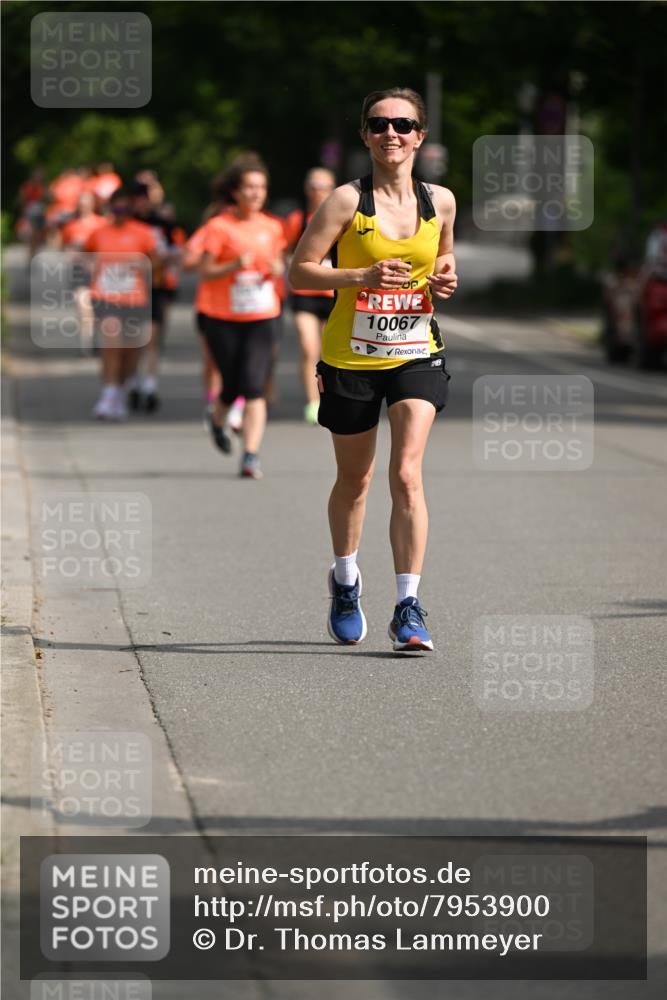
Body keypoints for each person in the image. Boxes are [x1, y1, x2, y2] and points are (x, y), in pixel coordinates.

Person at [289, 87, 457, 652]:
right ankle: (345, 580)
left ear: (420, 136)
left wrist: (446, 280)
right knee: (355, 480)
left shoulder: (441, 202)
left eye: (404, 124)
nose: (392, 133)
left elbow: (445, 261)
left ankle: (408, 606)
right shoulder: (344, 201)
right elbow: (300, 273)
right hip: (350, 357)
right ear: (365, 135)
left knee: (407, 474)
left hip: (416, 351)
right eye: (379, 124)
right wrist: (358, 278)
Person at [199, 155, 286, 479]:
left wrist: (278, 269)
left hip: (263, 315)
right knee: (231, 384)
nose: (255, 193)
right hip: (222, 318)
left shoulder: (273, 227)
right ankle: (218, 420)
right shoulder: (219, 227)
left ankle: (250, 455)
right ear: (235, 192)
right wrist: (235, 265)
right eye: (249, 187)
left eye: (261, 187)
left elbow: (278, 264)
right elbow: (206, 272)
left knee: (253, 385)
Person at [84, 187, 158, 420]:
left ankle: (119, 390)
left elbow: (156, 264)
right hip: (105, 296)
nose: (120, 213)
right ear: (110, 209)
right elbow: (85, 255)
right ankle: (108, 392)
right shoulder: (98, 233)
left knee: (131, 350)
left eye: (125, 209)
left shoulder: (143, 233)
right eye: (116, 209)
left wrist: (141, 264)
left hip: (134, 297)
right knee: (111, 343)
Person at [284, 168, 336, 424]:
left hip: (333, 291)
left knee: (328, 350)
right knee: (308, 347)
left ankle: (330, 397)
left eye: (324, 186)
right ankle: (313, 402)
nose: (319, 190)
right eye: (314, 185)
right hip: (304, 292)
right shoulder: (297, 219)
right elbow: (283, 248)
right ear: (307, 189)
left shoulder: (341, 217)